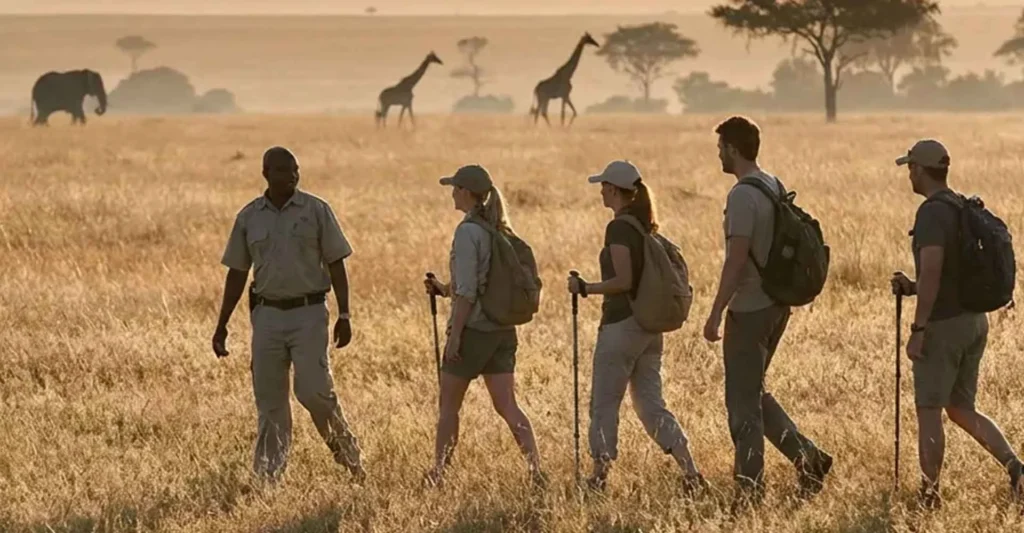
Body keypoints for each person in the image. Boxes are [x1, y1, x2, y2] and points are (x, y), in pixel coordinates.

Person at [212, 146, 365, 484]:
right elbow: (237, 273)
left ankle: (349, 455)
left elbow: (337, 263)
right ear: (265, 173)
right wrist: (221, 325)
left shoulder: (316, 211)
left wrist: (345, 314)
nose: (292, 176)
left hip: (309, 314)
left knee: (313, 391)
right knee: (270, 403)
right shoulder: (249, 217)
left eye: (295, 169)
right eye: (283, 170)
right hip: (267, 316)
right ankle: (268, 477)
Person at [703, 116, 833, 508]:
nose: (719, 154)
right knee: (753, 392)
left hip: (749, 308)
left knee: (741, 405)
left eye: (722, 146)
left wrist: (714, 314)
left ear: (734, 149)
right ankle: (808, 457)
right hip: (777, 303)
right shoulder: (771, 182)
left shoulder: (742, 195)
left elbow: (736, 260)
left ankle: (749, 492)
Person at [890, 139, 1024, 510]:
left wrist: (918, 331)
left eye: (910, 167)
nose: (909, 174)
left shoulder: (932, 213)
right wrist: (912, 287)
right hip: (973, 321)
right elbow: (948, 276)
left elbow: (932, 272)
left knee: (929, 410)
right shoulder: (960, 205)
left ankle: (929, 495)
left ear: (919, 169)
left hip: (944, 326)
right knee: (962, 408)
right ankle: (1017, 468)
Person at [567, 160, 706, 495]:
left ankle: (599, 477)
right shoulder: (644, 226)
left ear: (615, 190)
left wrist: (585, 288)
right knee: (650, 404)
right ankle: (691, 472)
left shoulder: (618, 228)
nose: (601, 191)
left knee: (604, 403)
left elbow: (624, 280)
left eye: (604, 186)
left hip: (620, 326)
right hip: (648, 328)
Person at [423, 164, 544, 487]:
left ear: (466, 193)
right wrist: (443, 288)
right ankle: (536, 469)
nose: (451, 194)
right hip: (502, 330)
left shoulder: (467, 232)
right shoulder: (497, 230)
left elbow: (468, 292)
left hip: (473, 331)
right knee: (508, 406)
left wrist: (455, 336)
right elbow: (476, 284)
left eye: (455, 188)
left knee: (448, 407)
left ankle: (438, 473)